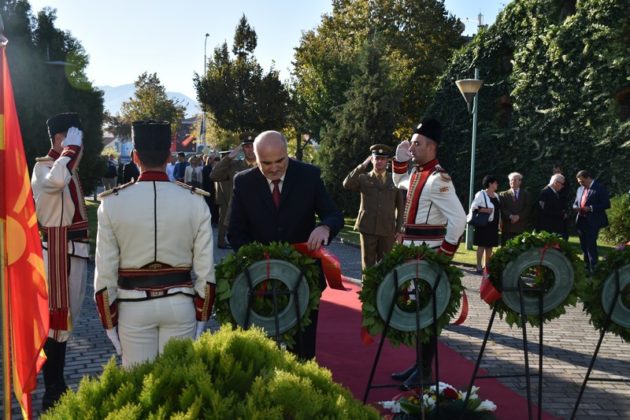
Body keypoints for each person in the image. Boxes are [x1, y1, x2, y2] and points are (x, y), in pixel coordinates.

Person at [94, 120, 215, 368]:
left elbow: (105, 271)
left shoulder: (112, 203)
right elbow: (205, 269)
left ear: (135, 156)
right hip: (180, 303)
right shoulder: (194, 201)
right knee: (177, 390)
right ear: (170, 156)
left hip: (132, 305)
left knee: (140, 391)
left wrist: (109, 321)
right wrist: (202, 316)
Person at [228, 130, 343, 360]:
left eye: (280, 161)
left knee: (303, 347)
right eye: (266, 163)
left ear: (287, 153)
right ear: (255, 159)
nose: (273, 168)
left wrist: (325, 228)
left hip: (304, 277)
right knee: (263, 347)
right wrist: (257, 260)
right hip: (261, 280)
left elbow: (333, 214)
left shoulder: (308, 176)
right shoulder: (243, 182)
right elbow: (235, 232)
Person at [390, 117, 466, 390]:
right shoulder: (419, 173)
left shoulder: (438, 179)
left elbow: (458, 221)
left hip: (427, 257)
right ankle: (418, 366)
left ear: (431, 147)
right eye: (411, 143)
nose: (411, 148)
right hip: (413, 256)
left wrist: (443, 256)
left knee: (427, 315)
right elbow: (400, 182)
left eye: (416, 144)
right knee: (418, 313)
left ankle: (424, 372)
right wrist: (398, 160)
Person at [31, 112, 89, 410]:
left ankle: (58, 382)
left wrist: (70, 155)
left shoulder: (67, 166)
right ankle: (52, 389)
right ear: (59, 138)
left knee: (68, 320)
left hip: (72, 252)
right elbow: (56, 181)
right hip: (56, 252)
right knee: (56, 323)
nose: (81, 144)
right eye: (74, 136)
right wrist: (69, 150)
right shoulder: (45, 166)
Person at [342, 144, 404, 274]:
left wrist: (399, 229)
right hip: (367, 228)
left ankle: (382, 294)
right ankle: (367, 294)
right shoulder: (364, 178)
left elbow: (400, 206)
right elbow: (347, 183)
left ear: (387, 161)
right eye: (376, 158)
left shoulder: (395, 180)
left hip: (387, 229)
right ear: (372, 160)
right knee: (368, 267)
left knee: (385, 265)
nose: (379, 161)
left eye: (382, 158)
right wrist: (362, 165)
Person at [210, 135, 258, 249]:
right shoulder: (234, 166)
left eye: (253, 146)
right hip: (239, 214)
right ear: (242, 149)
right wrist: (229, 157)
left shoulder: (264, 165)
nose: (250, 149)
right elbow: (214, 175)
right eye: (247, 147)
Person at [572, 170, 610, 274]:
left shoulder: (599, 188)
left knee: (590, 245)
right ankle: (586, 268)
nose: (581, 184)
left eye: (582, 181)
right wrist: (576, 207)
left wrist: (591, 208)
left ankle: (594, 269)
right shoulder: (580, 189)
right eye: (579, 182)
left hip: (593, 222)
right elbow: (575, 203)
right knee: (584, 246)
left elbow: (606, 204)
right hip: (581, 221)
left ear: (589, 178)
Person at [467, 175, 500, 273]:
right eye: (495, 182)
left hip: (493, 225)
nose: (497, 184)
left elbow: (498, 210)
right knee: (481, 245)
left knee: (489, 246)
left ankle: (487, 266)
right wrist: (485, 209)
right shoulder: (481, 194)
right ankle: (478, 265)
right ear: (490, 184)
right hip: (483, 224)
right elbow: (473, 207)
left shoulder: (496, 196)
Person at [499, 172, 532, 244]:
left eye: (514, 180)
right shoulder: (503, 194)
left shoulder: (526, 194)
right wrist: (510, 216)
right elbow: (502, 208)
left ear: (520, 182)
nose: (512, 182)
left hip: (521, 227)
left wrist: (518, 217)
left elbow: (528, 208)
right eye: (511, 180)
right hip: (508, 228)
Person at [534, 174, 568, 238]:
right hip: (548, 228)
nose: (563, 186)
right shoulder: (545, 192)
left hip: (553, 227)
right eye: (562, 184)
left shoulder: (553, 192)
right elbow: (545, 210)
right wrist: (562, 214)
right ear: (556, 182)